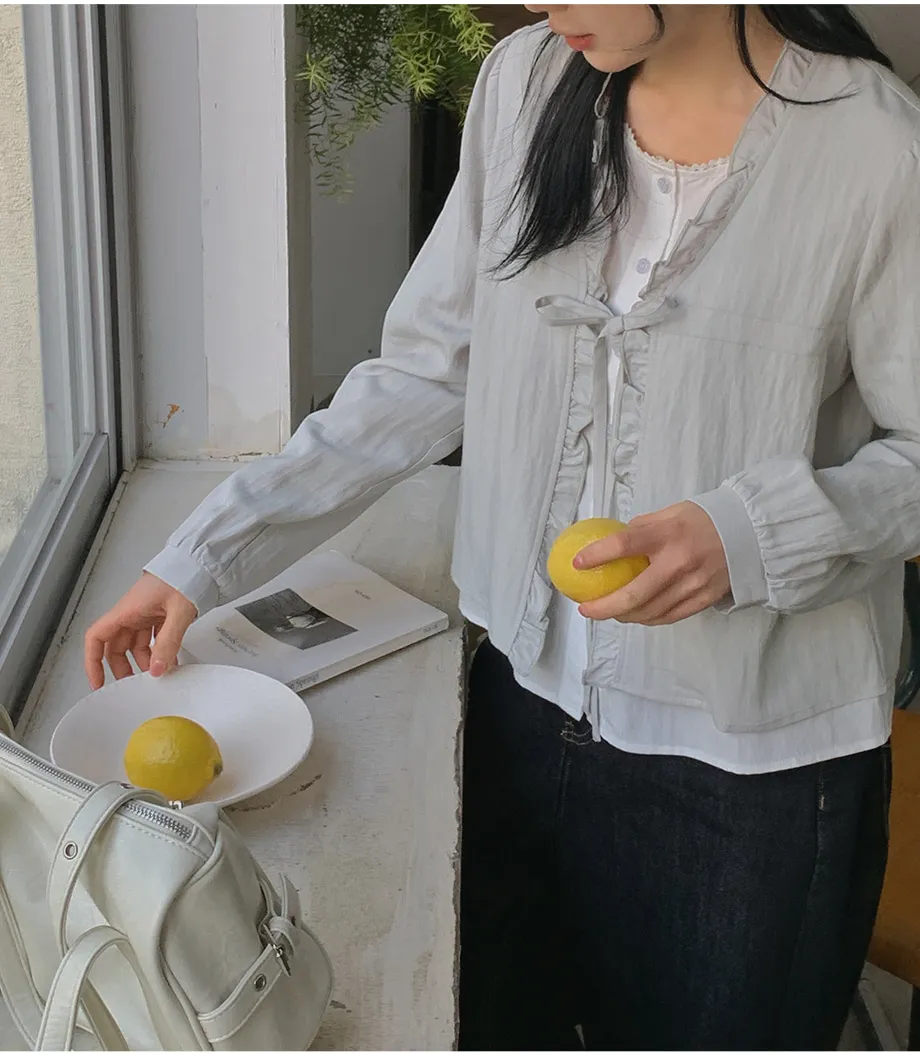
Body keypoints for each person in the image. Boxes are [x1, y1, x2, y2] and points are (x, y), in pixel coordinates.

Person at [85, 5, 920, 1048]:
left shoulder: (875, 147)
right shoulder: (525, 85)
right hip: (518, 715)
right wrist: (204, 554)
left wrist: (750, 535)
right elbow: (426, 371)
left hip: (749, 776)